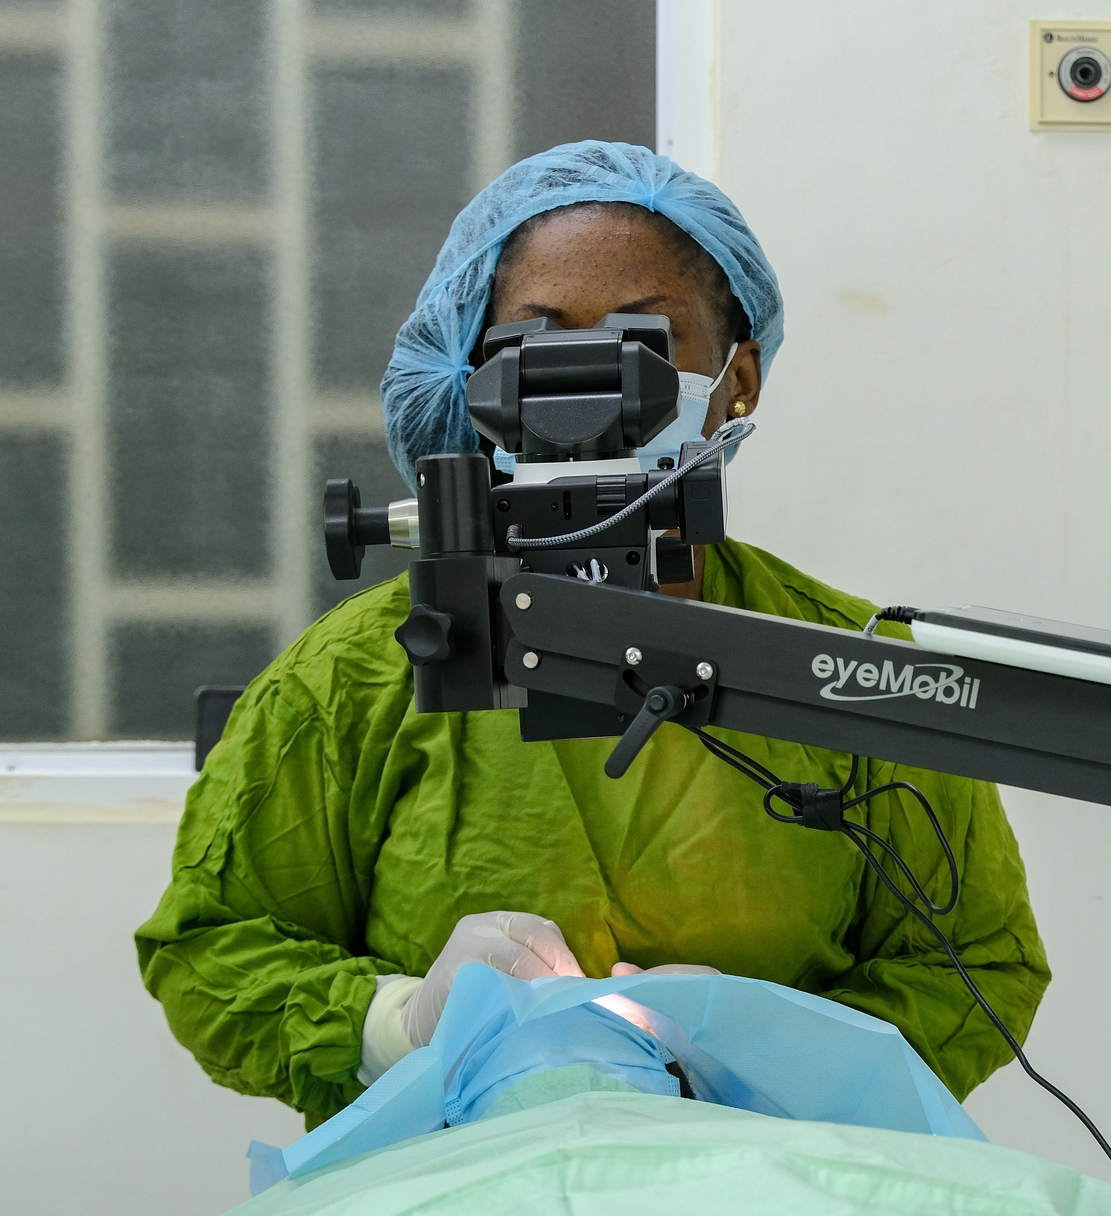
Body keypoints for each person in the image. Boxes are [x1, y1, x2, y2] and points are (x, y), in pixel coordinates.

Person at [135, 142, 1049, 1130]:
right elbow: (211, 947)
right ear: (471, 376)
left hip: (776, 1209)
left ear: (736, 379)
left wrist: (771, 1059)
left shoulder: (851, 670)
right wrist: (397, 1023)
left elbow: (979, 961)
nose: (588, 380)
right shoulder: (353, 679)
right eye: (535, 340)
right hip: (448, 1207)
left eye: (643, 338)